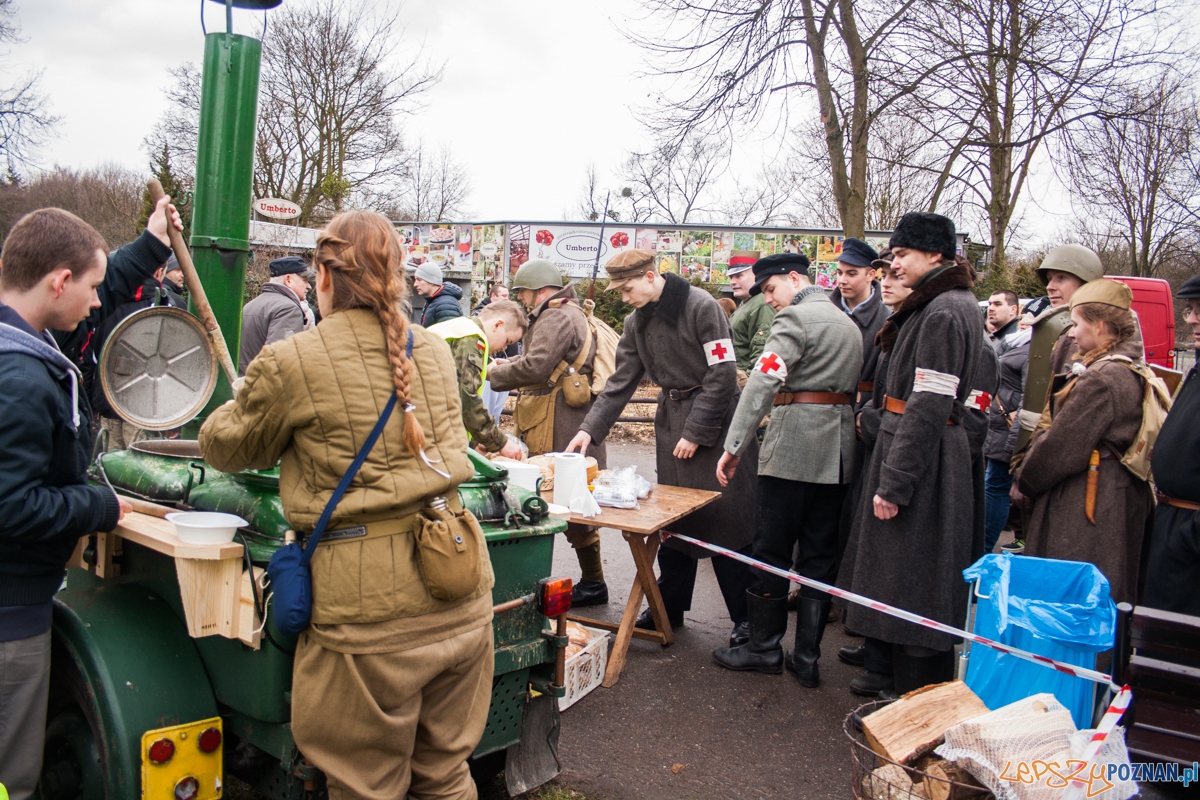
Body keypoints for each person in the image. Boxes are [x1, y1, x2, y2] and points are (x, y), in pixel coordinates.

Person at [199, 210, 492, 800]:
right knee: (446, 775)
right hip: (461, 586)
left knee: (367, 786)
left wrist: (243, 398)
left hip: (368, 615)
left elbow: (225, 447)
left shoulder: (294, 360)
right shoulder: (432, 350)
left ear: (324, 278)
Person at [0, 208, 132, 800]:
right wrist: (99, 508)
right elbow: (12, 506)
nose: (98, 301)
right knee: (11, 777)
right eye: (93, 285)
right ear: (59, 281)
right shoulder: (24, 379)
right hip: (11, 612)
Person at [567, 250, 758, 645]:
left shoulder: (703, 307)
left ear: (651, 276)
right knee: (674, 521)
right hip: (672, 424)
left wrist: (697, 430)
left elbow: (723, 374)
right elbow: (621, 381)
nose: (623, 297)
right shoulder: (636, 321)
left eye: (627, 288)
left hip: (716, 425)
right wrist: (590, 430)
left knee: (727, 522)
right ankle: (668, 609)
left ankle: (747, 620)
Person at [840, 211, 983, 698]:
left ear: (935, 255)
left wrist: (895, 480)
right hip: (914, 446)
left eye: (901, 255)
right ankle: (898, 693)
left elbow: (930, 404)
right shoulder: (938, 305)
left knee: (915, 585)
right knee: (904, 582)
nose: (893, 266)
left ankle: (912, 707)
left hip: (922, 459)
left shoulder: (944, 311)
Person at [710, 252, 861, 684]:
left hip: (793, 448)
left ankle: (763, 648)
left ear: (795, 278)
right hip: (838, 454)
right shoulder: (847, 323)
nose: (770, 300)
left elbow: (763, 381)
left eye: (772, 289)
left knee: (771, 549)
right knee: (819, 554)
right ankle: (809, 659)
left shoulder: (795, 320)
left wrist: (734, 444)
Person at [1012, 279, 1152, 605]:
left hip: (1089, 506)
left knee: (1075, 603)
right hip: (1109, 498)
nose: (1071, 333)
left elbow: (1060, 448)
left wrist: (1025, 477)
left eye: (1076, 324)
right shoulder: (1126, 368)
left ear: (1100, 327)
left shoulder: (1103, 377)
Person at [488, 259, 609, 607]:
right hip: (563, 415)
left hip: (558, 418)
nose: (523, 300)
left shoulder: (555, 316)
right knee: (570, 500)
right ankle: (593, 581)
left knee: (551, 498)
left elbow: (537, 366)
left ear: (539, 289)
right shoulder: (571, 312)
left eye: (524, 292)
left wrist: (494, 373)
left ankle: (586, 583)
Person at [1142, 274, 1200, 616]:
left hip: (1188, 545)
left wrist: (1187, 538)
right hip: (1173, 529)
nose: (1190, 319)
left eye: (1197, 310)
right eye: (1191, 309)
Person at [1013, 245, 1104, 457]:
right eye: (1050, 278)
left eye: (1061, 278)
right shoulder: (1058, 324)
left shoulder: (1085, 331)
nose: (1050, 287)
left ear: (1086, 284)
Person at [92, 258, 189, 450]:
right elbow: (177, 364)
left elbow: (91, 353)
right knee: (141, 470)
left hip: (107, 400)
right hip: (145, 408)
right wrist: (175, 418)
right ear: (159, 272)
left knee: (109, 467)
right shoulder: (167, 304)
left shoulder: (103, 302)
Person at [427, 299, 527, 459]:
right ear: (498, 325)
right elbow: (466, 397)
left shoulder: (460, 328)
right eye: (507, 341)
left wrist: (476, 440)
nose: (504, 348)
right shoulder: (471, 339)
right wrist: (500, 442)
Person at [983, 309, 1031, 553]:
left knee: (997, 488)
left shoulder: (1031, 351)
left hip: (1008, 431)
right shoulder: (1014, 344)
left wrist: (1013, 445)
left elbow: (1028, 399)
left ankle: (985, 547)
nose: (1024, 321)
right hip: (999, 428)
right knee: (993, 486)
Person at [830, 238, 888, 408]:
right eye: (840, 273)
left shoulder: (887, 319)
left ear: (871, 274)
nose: (842, 280)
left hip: (863, 412)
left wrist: (867, 414)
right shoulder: (823, 312)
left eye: (852, 273)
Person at [240, 256, 316, 374]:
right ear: (288, 280)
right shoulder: (288, 309)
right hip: (265, 388)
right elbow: (281, 362)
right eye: (305, 280)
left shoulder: (251, 305)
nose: (309, 286)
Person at [728, 250, 775, 377]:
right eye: (731, 277)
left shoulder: (762, 304)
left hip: (745, 381)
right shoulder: (748, 303)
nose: (732, 282)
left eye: (739, 276)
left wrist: (750, 383)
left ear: (756, 276)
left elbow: (762, 349)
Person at [413, 262, 464, 327]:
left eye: (419, 280)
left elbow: (449, 334)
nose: (415, 284)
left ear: (432, 281)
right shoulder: (434, 300)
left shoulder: (446, 304)